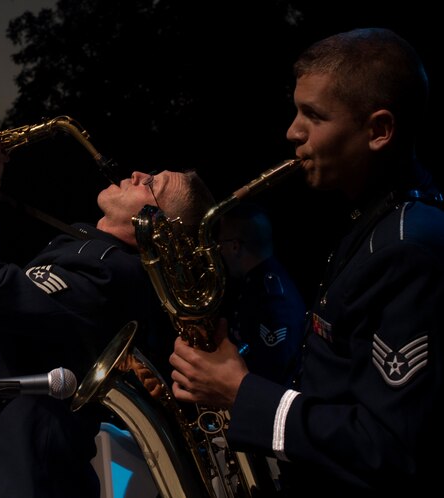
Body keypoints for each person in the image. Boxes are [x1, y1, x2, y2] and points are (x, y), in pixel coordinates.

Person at [169, 27, 444, 497]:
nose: (292, 131)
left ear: (379, 130)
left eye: (313, 116)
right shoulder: (373, 224)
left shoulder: (408, 247)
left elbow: (388, 448)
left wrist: (240, 391)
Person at [0, 124, 215, 498]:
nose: (138, 174)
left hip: (17, 476)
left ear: (158, 227)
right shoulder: (87, 249)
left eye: (153, 184)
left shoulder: (110, 273)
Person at [217, 202, 306, 385]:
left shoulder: (273, 299)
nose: (220, 251)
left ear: (235, 246)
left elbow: (272, 373)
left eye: (221, 244)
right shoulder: (255, 284)